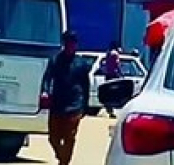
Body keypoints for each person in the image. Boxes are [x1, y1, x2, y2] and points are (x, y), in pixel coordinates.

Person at [41, 31, 90, 165]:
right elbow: (47, 78)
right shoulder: (55, 60)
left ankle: (64, 162)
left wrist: (85, 105)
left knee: (69, 137)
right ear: (64, 44)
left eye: (72, 43)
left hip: (75, 105)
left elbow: (86, 85)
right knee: (53, 138)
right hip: (57, 103)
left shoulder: (81, 64)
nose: (70, 46)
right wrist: (45, 91)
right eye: (67, 43)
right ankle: (62, 157)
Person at [102, 42, 122, 118]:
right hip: (114, 75)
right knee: (115, 94)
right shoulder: (115, 54)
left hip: (108, 75)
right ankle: (113, 110)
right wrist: (121, 74)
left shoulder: (108, 53)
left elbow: (105, 64)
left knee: (109, 94)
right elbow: (117, 64)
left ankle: (109, 109)